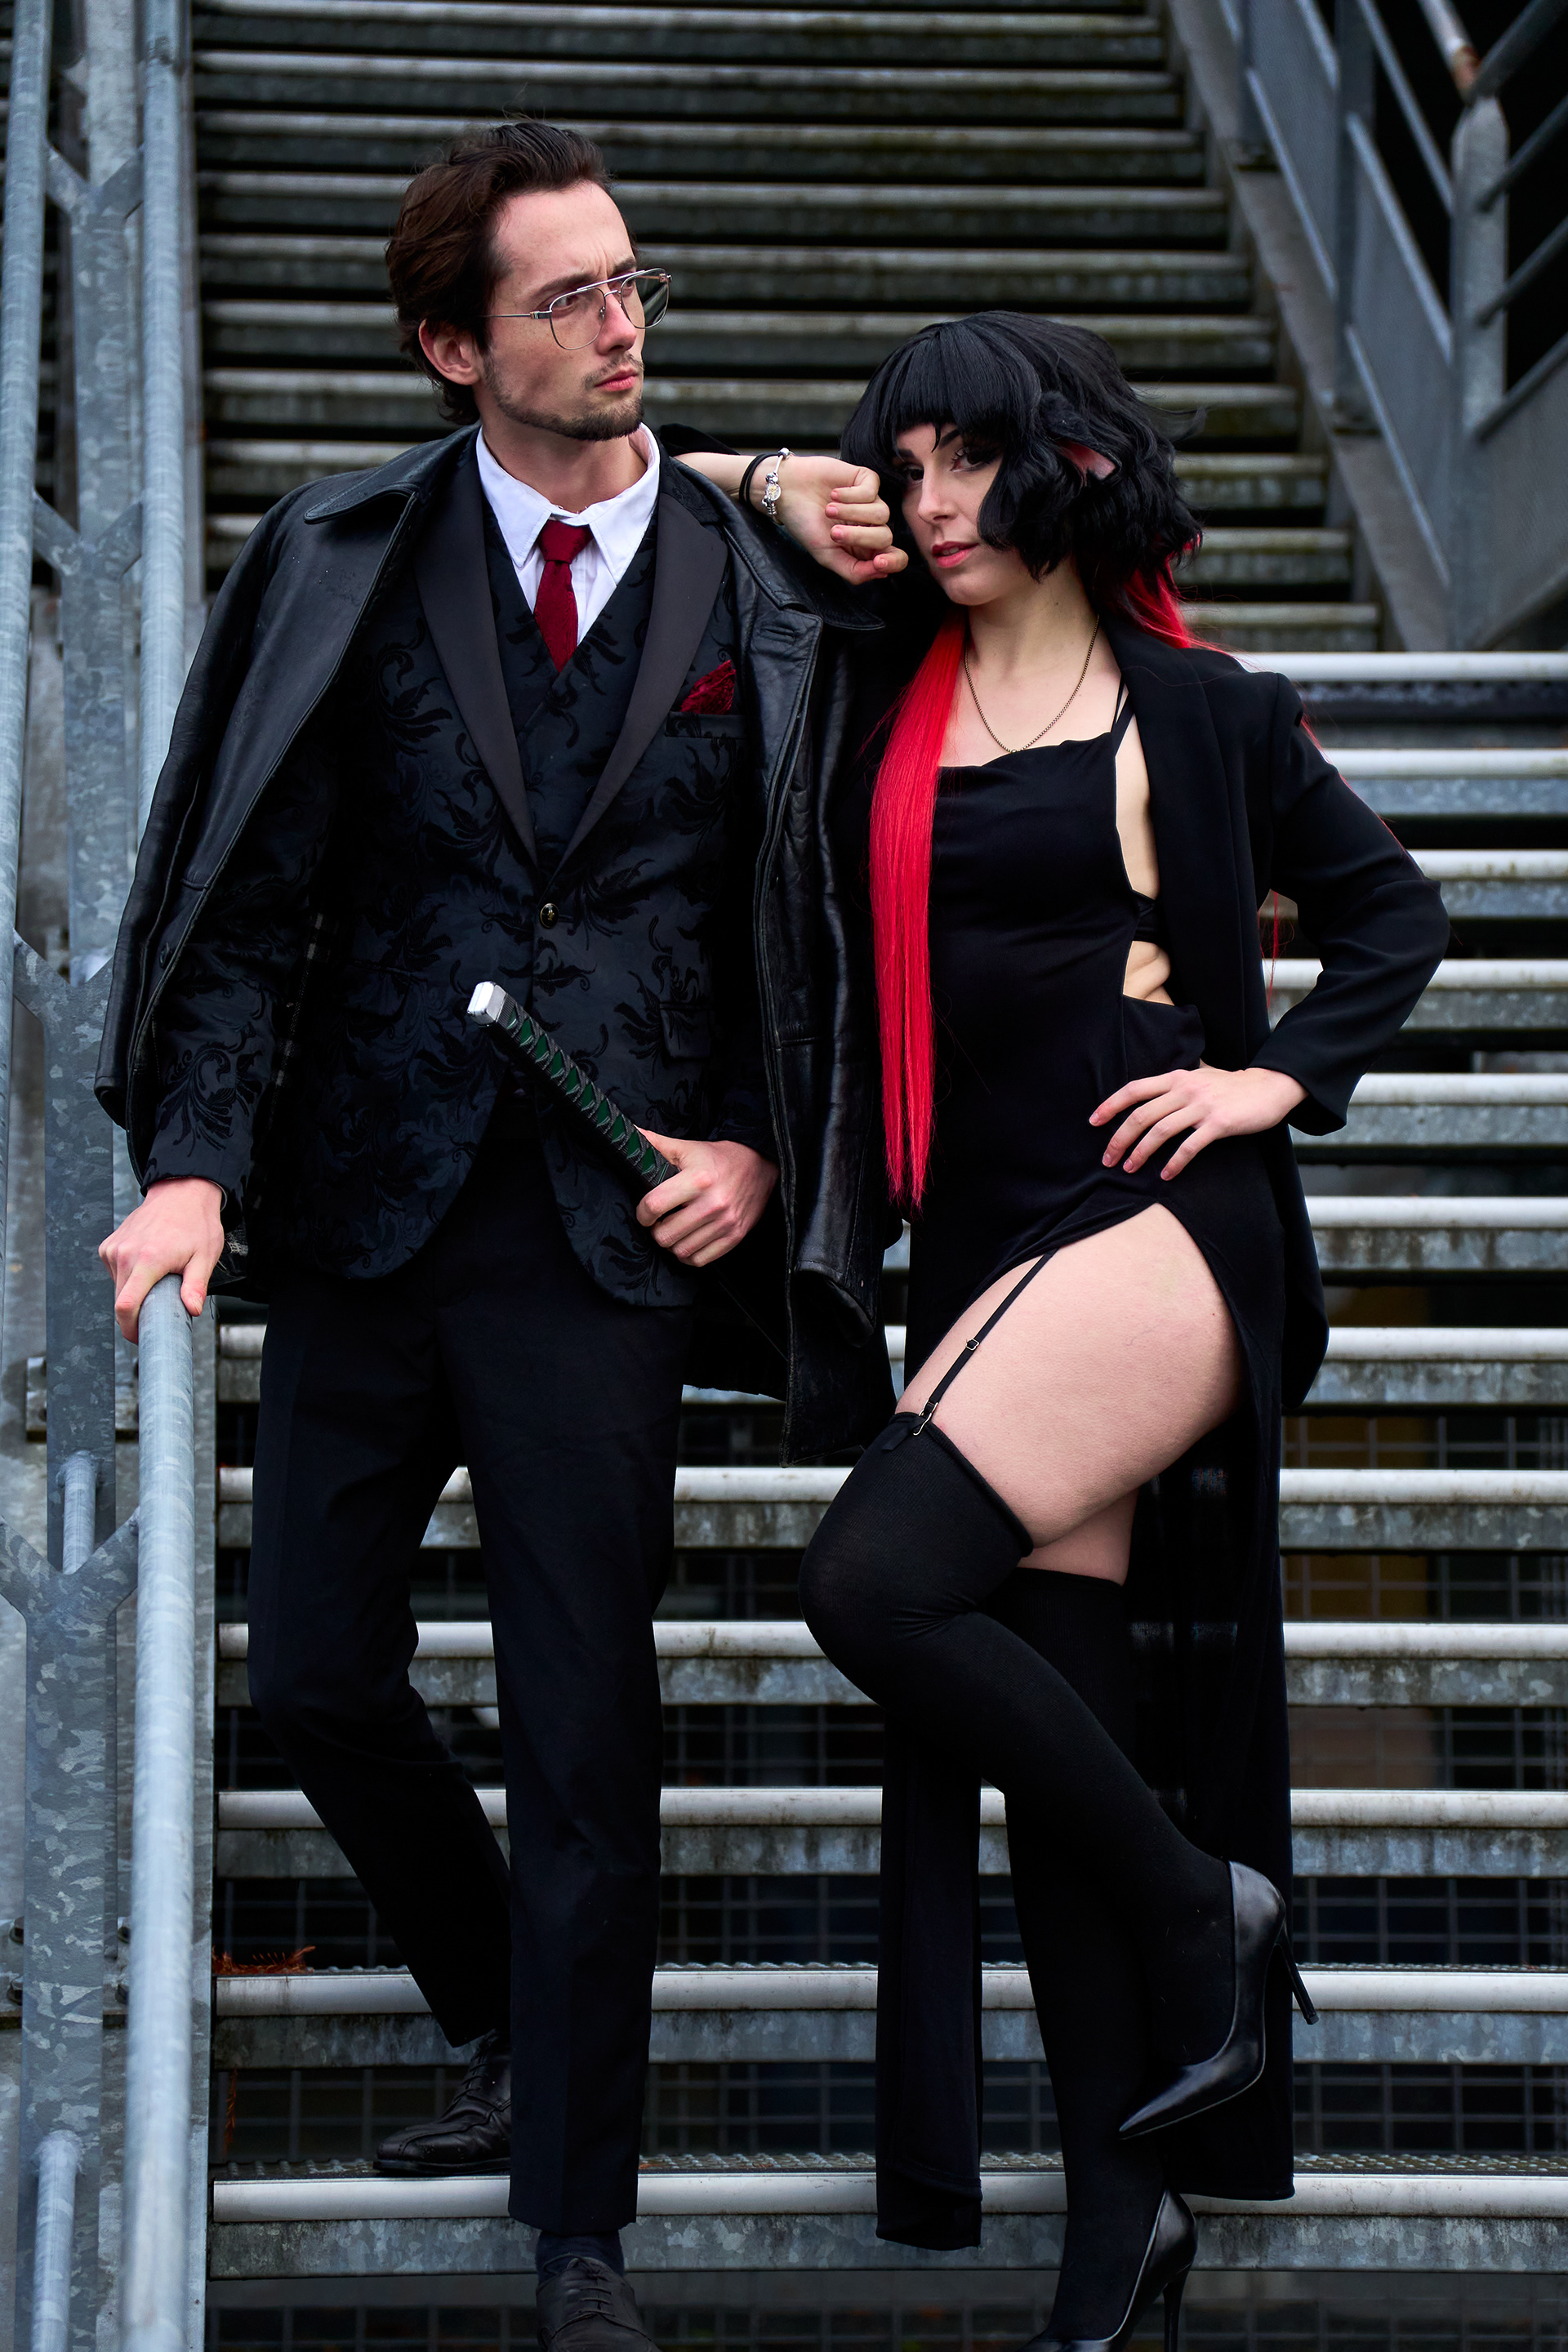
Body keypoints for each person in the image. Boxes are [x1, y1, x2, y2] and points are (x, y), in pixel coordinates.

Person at [94, 120, 905, 2352]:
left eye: (633, 282)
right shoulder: (339, 558)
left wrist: (764, 1147)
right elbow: (251, 898)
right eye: (567, 298)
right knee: (310, 1679)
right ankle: (503, 2007)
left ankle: (580, 2230)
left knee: (582, 1719)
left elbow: (814, 925)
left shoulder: (764, 587)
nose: (621, 325)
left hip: (608, 1234)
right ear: (455, 347)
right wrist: (195, 1158)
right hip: (373, 1205)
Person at [689, 313, 1449, 2352]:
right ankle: (1120, 2235)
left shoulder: (1201, 712)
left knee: (870, 1583)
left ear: (1064, 469)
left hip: (1159, 1222)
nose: (931, 503)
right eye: (905, 469)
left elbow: (1393, 916)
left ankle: (1206, 1906)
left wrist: (1271, 1080)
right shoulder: (875, 695)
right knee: (1050, 1725)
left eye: (966, 461)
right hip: (983, 1241)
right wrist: (773, 480)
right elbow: (672, 519)